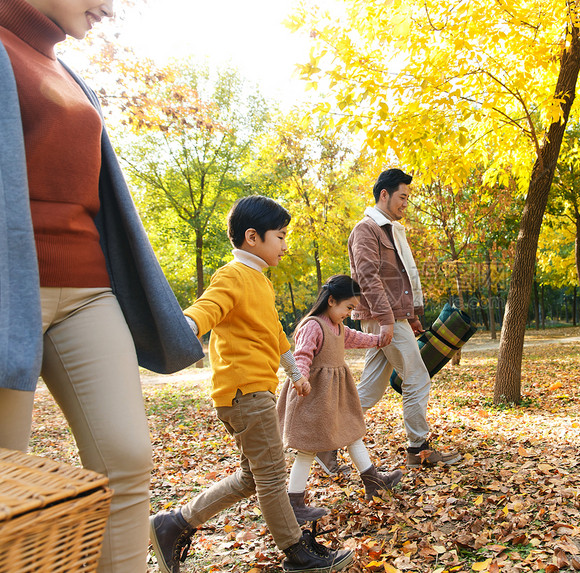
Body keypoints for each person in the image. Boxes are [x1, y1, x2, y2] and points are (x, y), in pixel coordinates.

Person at [0, 1, 204, 571]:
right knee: (3, 479)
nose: (109, 8)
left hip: (89, 290)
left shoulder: (68, 72)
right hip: (6, 293)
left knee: (127, 458)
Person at [148, 196, 353, 573]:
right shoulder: (232, 276)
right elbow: (209, 307)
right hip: (244, 392)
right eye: (280, 236)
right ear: (252, 237)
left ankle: (171, 524)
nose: (285, 245)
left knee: (251, 476)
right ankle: (296, 552)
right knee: (273, 475)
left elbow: (274, 334)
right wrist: (186, 326)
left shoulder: (260, 282)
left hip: (254, 391)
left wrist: (295, 374)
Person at [339, 168, 461, 469]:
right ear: (384, 194)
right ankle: (418, 449)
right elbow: (368, 277)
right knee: (417, 377)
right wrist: (388, 320)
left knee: (370, 389)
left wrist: (413, 316)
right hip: (384, 318)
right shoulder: (366, 229)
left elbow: (401, 279)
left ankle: (327, 441)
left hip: (392, 317)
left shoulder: (391, 229)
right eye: (402, 197)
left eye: (408, 197)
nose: (406, 203)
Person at [277, 275, 403, 521]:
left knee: (352, 433)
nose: (349, 313)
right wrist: (300, 378)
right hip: (311, 396)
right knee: (306, 449)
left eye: (353, 309)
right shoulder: (313, 325)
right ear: (331, 300)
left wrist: (378, 341)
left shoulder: (338, 327)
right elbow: (301, 355)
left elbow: (356, 338)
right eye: (348, 307)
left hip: (334, 395)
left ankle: (373, 481)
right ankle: (294, 502)